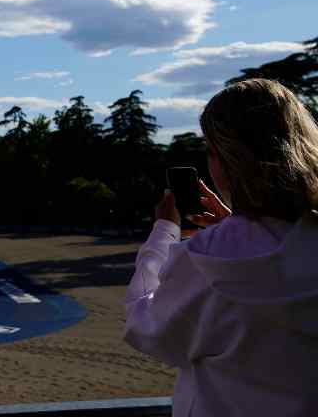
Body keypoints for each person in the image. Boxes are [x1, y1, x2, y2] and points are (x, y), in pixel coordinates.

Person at [123, 79, 318, 416]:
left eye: (212, 150)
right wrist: (241, 225)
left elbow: (145, 327)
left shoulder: (207, 258)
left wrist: (164, 231)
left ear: (229, 160)